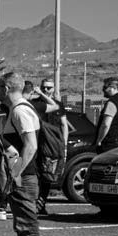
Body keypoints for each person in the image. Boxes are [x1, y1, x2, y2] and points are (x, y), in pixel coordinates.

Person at [0, 73, 46, 236]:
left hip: (24, 177)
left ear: (7, 88)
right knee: (23, 223)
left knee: (26, 223)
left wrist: (15, 173)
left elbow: (31, 146)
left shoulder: (19, 111)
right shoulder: (19, 109)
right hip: (23, 176)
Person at [27, 79, 67, 215]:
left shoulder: (58, 105)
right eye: (43, 88)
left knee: (47, 175)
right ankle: (34, 203)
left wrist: (63, 144)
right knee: (36, 175)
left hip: (52, 146)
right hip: (38, 143)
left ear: (54, 89)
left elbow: (64, 124)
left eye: (49, 88)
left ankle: (41, 204)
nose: (45, 90)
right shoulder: (36, 104)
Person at [95, 76, 118, 153]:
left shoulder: (112, 102)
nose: (103, 90)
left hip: (109, 145)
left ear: (113, 87)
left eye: (105, 87)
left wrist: (99, 140)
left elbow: (105, 124)